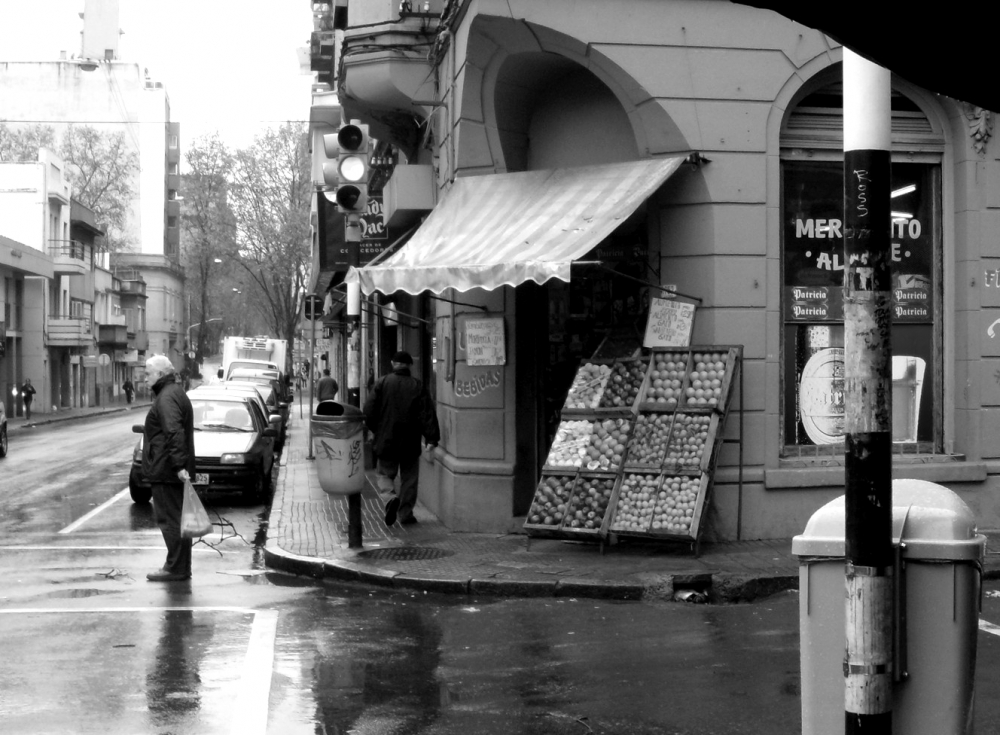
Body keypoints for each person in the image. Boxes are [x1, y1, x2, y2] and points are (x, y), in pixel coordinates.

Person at [363, 351, 440, 526]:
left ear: (393, 363)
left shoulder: (382, 383)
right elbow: (427, 413)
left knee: (384, 473)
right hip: (410, 441)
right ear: (409, 365)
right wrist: (432, 439)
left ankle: (389, 497)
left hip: (386, 439)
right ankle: (405, 514)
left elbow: (368, 411)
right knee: (409, 479)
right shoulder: (417, 385)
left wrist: (377, 429)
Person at [141, 355, 196, 582]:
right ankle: (179, 566)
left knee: (170, 520)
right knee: (178, 520)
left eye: (147, 374)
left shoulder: (166, 398)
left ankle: (176, 568)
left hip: (166, 471)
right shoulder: (174, 392)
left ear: (160, 375)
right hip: (169, 468)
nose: (144, 378)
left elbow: (173, 431)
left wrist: (178, 466)